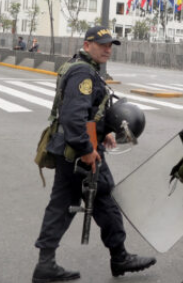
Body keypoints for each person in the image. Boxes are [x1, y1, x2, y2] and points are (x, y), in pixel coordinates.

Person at [32, 26, 156, 283]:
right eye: (102, 45)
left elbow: (87, 113)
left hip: (69, 150)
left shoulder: (80, 66)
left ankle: (45, 264)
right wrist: (88, 149)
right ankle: (120, 257)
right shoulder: (83, 73)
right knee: (105, 201)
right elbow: (74, 117)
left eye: (111, 45)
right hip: (79, 153)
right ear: (87, 45)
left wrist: (102, 133)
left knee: (61, 206)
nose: (108, 49)